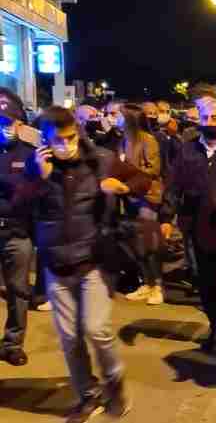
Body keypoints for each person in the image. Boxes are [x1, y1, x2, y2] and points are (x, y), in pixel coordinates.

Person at [27, 106, 149, 422]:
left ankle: (114, 380)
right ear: (45, 140)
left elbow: (142, 180)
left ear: (78, 133)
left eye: (70, 138)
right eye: (58, 140)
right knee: (69, 339)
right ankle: (88, 395)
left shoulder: (102, 160)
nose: (65, 145)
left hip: (94, 260)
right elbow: (18, 205)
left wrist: (122, 188)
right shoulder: (37, 166)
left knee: (97, 329)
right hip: (55, 263)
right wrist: (38, 179)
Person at [160, 97, 216, 364]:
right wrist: (166, 216)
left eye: (214, 118)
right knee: (204, 282)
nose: (209, 123)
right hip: (197, 225)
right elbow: (174, 185)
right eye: (204, 118)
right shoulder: (188, 149)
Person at [0, 89, 36, 366]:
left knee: (19, 291)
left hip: (17, 232)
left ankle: (12, 344)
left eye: (7, 122)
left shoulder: (31, 151)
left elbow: (38, 190)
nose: (4, 127)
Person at [116, 104, 166, 306]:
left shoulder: (148, 140)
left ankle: (158, 287)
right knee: (136, 243)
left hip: (146, 196)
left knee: (149, 243)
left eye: (119, 116)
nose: (115, 120)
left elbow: (152, 169)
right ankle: (146, 282)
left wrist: (125, 170)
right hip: (129, 196)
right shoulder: (123, 140)